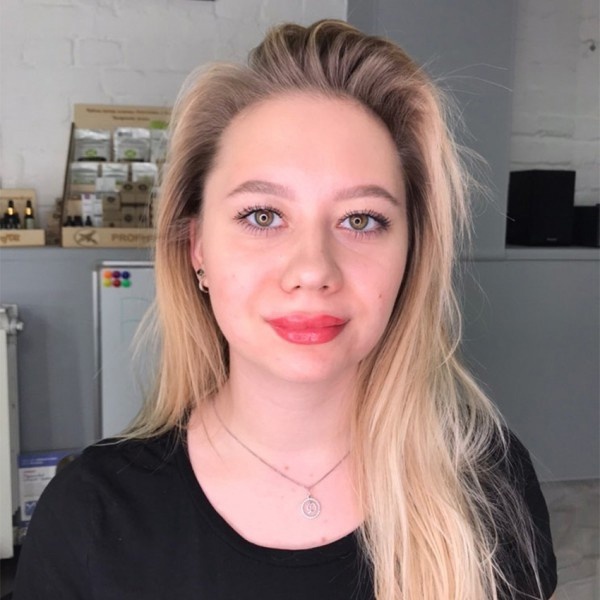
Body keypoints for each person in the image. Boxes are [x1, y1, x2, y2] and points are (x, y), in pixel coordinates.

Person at [13, 20, 557, 600]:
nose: (313, 269)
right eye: (263, 216)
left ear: (411, 254)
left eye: (361, 220)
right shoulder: (89, 517)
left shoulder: (490, 484)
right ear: (198, 248)